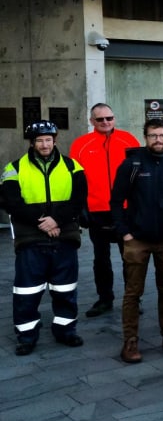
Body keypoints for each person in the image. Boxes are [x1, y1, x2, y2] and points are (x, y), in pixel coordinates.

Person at [2, 121, 87, 356]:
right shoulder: (14, 168)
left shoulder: (72, 166)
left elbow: (79, 199)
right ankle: (27, 336)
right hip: (30, 239)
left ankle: (66, 331)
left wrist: (56, 220)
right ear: (32, 142)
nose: (44, 144)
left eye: (48, 139)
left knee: (65, 289)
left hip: (64, 237)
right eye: (39, 140)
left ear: (55, 140)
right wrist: (44, 221)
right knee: (27, 292)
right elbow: (10, 202)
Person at [110, 119, 163, 363]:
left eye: (162, 135)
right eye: (154, 135)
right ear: (145, 137)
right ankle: (130, 341)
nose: (158, 140)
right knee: (133, 293)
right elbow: (116, 201)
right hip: (137, 239)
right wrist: (125, 233)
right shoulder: (132, 164)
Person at [69, 103, 140, 318]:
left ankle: (132, 299)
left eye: (109, 118)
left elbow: (139, 175)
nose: (106, 122)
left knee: (130, 257)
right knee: (101, 258)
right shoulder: (81, 144)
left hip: (126, 209)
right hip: (96, 210)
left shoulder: (129, 140)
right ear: (92, 121)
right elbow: (75, 181)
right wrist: (80, 209)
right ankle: (104, 299)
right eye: (100, 119)